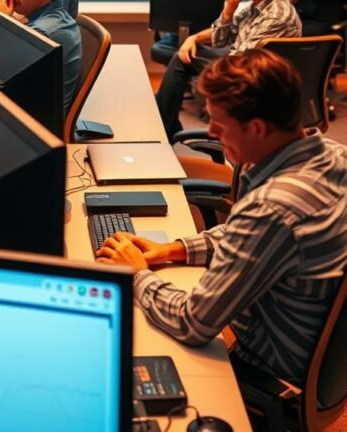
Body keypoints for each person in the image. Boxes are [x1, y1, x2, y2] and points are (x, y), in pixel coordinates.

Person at [97, 49, 347, 386]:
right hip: (325, 353)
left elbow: (193, 324)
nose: (211, 132)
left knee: (127, 348)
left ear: (257, 128)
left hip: (271, 364)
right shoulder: (334, 156)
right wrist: (174, 249)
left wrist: (137, 274)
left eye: (219, 123)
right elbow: (250, 235)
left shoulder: (271, 208)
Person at [154, 0, 301, 141]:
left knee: (182, 61)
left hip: (257, 80)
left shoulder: (277, 16)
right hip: (245, 66)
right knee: (185, 55)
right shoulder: (254, 5)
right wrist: (225, 12)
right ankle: (168, 127)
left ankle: (162, 130)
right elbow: (221, 39)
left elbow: (239, 61)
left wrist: (206, 59)